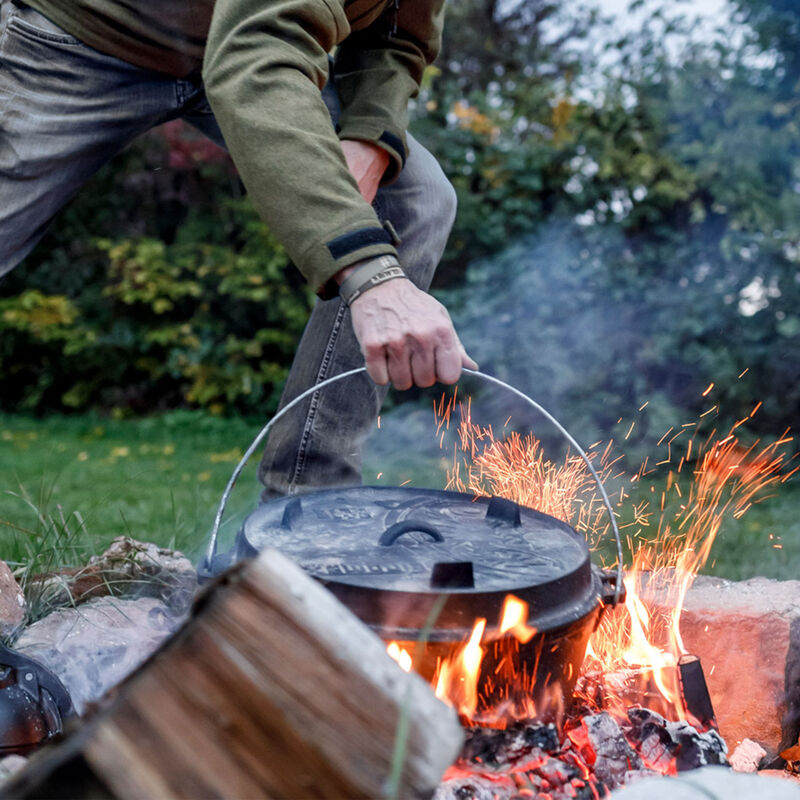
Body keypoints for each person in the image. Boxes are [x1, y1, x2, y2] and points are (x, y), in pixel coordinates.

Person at [0, 0, 476, 498]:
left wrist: (371, 135)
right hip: (87, 39)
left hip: (250, 44)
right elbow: (253, 53)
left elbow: (399, 34)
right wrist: (372, 276)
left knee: (415, 198)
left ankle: (308, 508)